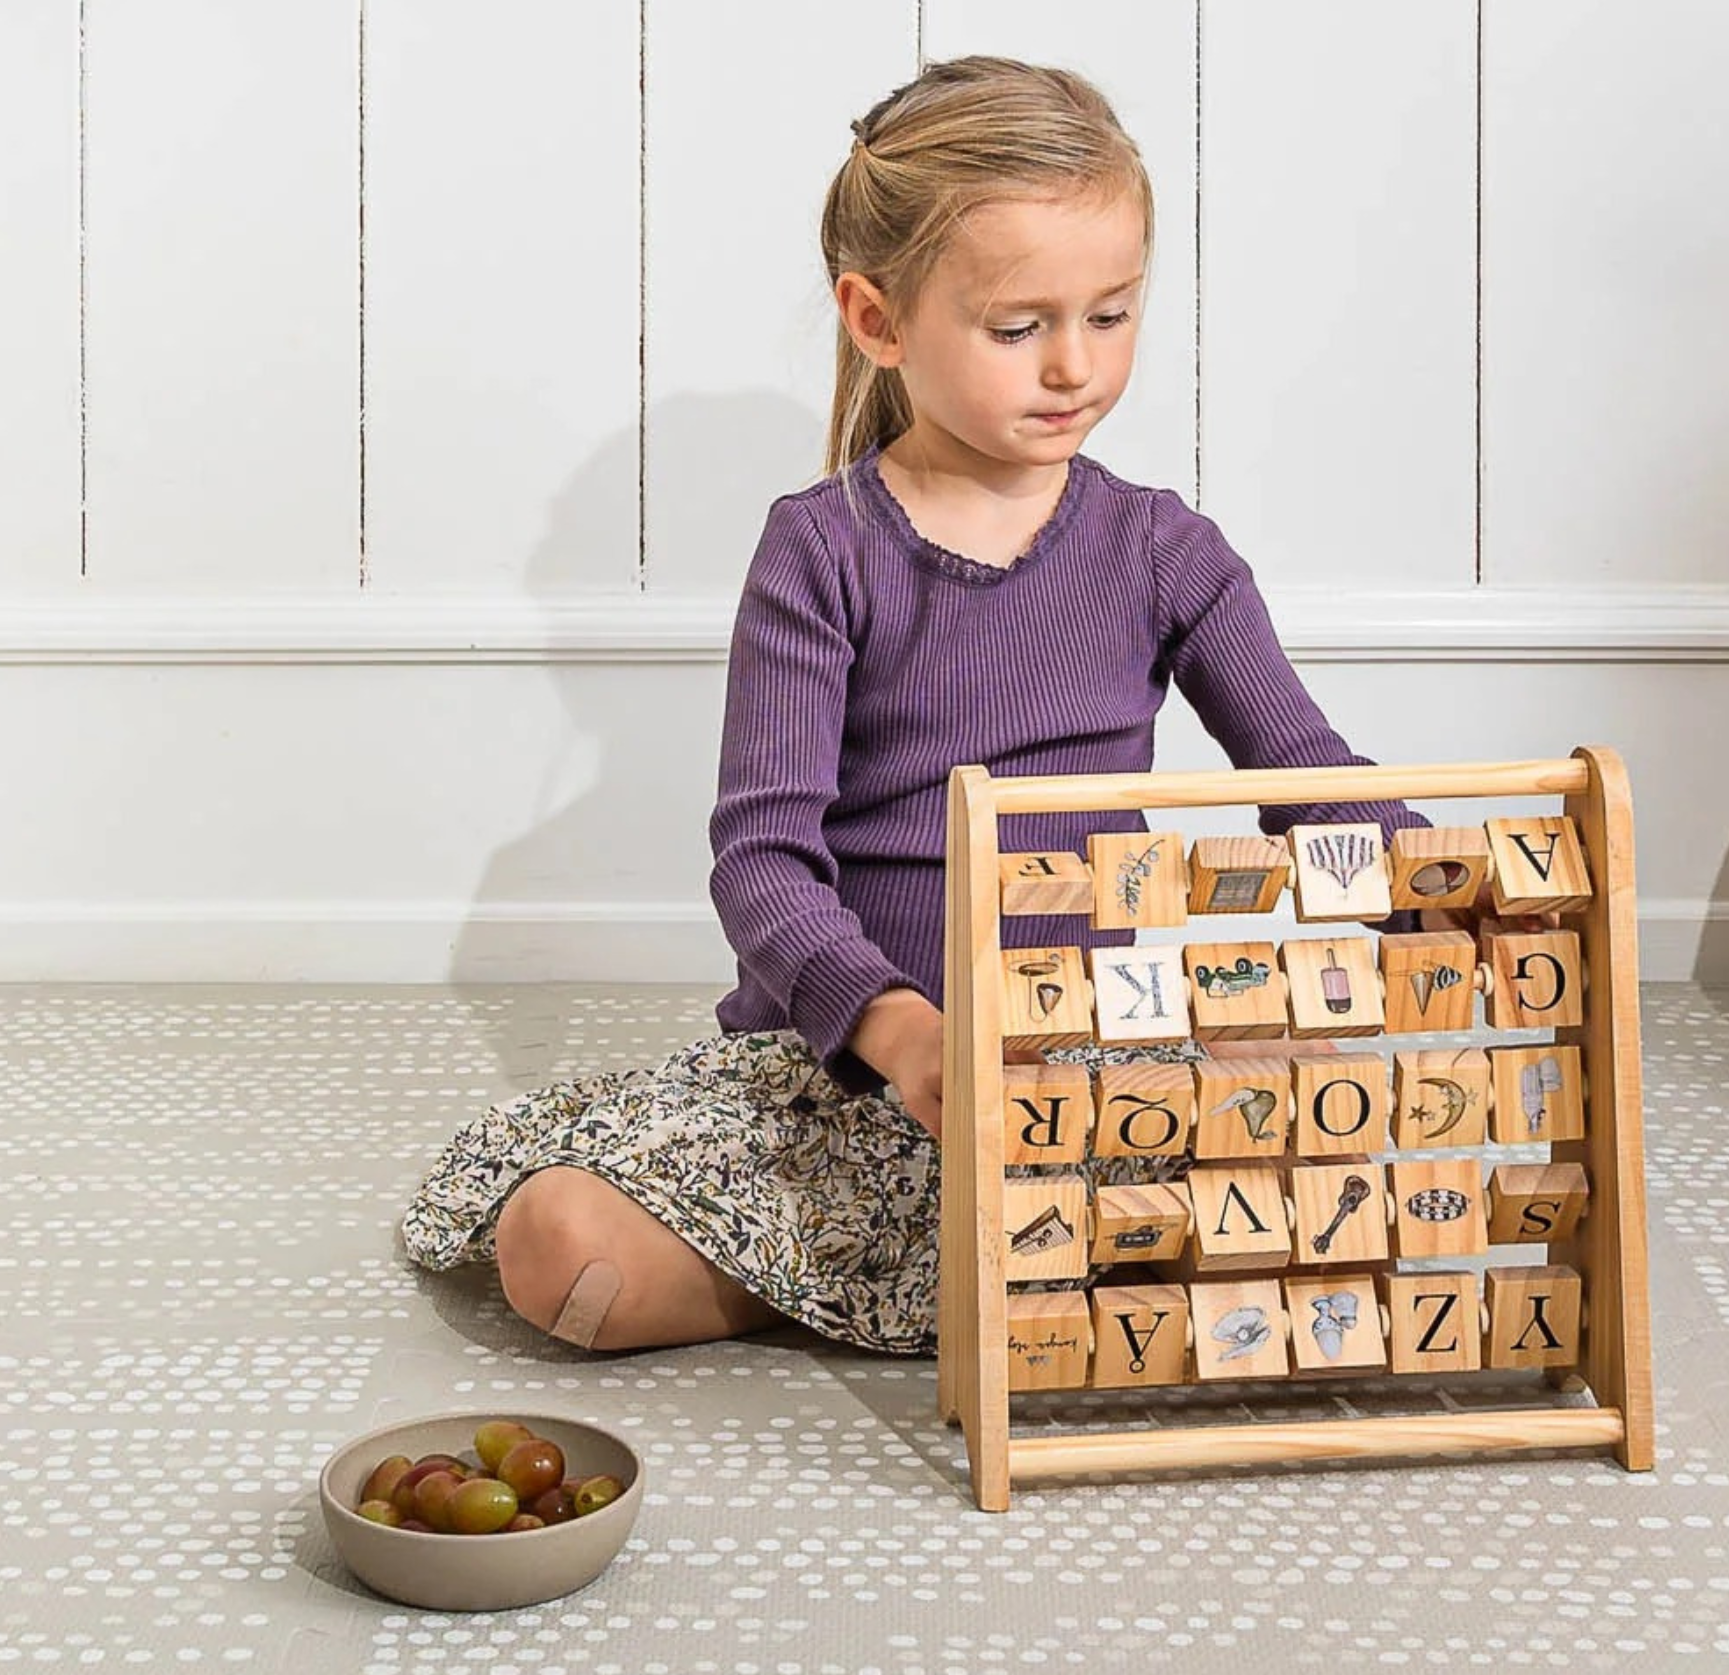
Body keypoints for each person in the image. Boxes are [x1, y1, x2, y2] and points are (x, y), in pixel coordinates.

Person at [401, 54, 1428, 1358]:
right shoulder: (822, 554)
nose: (1075, 366)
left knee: (1347, 1139)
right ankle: (894, 1280)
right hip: (845, 1078)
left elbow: (1309, 776)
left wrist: (1458, 877)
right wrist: (902, 1033)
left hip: (1082, 1071)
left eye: (1111, 315)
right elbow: (763, 862)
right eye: (1019, 327)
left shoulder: (1166, 553)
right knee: (559, 1243)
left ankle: (945, 1278)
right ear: (878, 321)